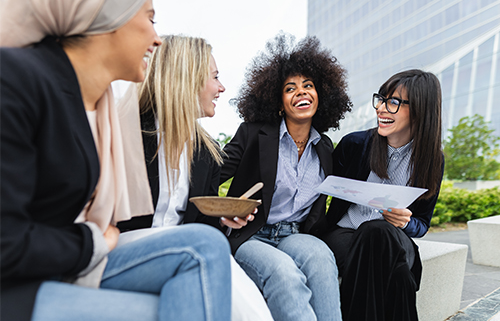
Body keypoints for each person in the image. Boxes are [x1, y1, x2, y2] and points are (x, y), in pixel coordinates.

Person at [0, 0, 231, 321]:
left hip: (66, 262)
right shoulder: (17, 79)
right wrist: (92, 241)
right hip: (17, 285)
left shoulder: (97, 107)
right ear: (109, 20)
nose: (158, 40)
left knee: (204, 251)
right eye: (150, 19)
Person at [117, 35, 273, 321]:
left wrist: (225, 221)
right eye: (215, 77)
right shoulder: (125, 132)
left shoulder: (207, 152)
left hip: (184, 252)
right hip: (124, 249)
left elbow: (203, 226)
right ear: (186, 78)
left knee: (219, 263)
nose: (221, 88)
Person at [220, 33, 352, 321]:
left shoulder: (325, 147)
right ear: (279, 102)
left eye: (308, 86)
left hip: (295, 234)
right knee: (284, 273)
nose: (301, 92)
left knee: (321, 259)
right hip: (251, 235)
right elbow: (214, 173)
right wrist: (219, 215)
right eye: (290, 88)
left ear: (322, 95)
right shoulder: (253, 132)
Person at [321, 69, 444, 321]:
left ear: (421, 109)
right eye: (381, 99)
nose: (382, 108)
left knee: (379, 232)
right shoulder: (354, 145)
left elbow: (422, 225)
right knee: (397, 273)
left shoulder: (431, 160)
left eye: (394, 102)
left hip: (396, 239)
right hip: (346, 236)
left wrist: (406, 222)